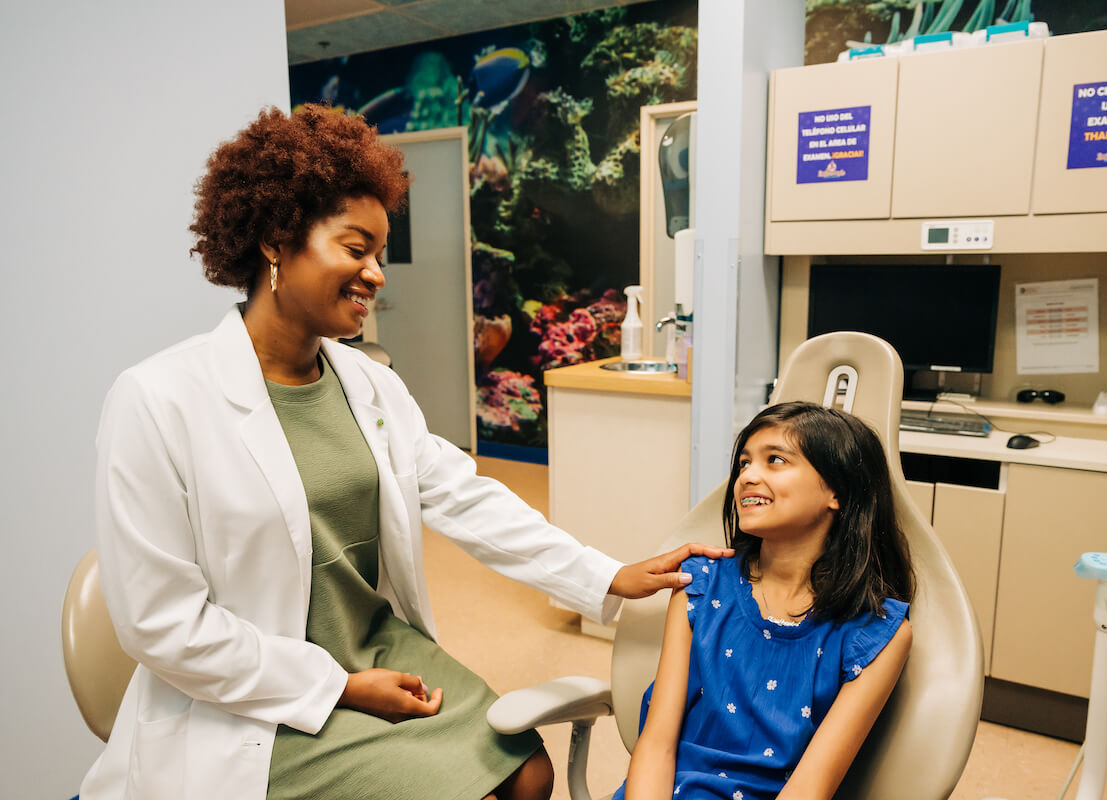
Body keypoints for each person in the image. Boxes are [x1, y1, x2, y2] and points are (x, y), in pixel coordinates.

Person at [81, 104, 730, 800]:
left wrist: (606, 578)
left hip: (377, 647)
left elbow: (466, 498)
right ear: (276, 239)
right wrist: (337, 686)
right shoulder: (157, 400)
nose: (377, 274)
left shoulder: (368, 384)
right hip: (255, 695)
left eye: (380, 253)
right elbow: (162, 626)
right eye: (356, 248)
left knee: (528, 772)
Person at [617, 402, 915, 800]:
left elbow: (810, 788)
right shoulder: (700, 585)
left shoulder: (876, 633)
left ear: (837, 493)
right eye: (743, 463)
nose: (747, 477)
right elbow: (656, 744)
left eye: (775, 460)